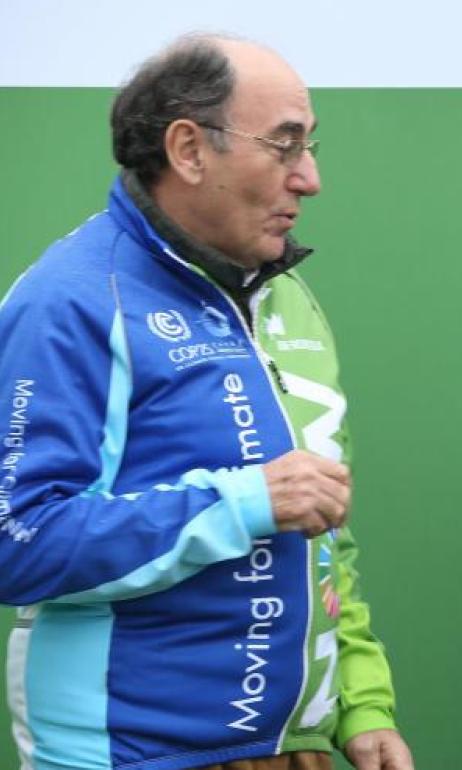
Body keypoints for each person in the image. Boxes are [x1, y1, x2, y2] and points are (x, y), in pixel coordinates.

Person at [0, 35, 414, 770]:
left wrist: (360, 700)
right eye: (285, 147)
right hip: (132, 755)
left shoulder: (286, 297)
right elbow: (18, 543)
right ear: (189, 151)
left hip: (297, 748)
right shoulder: (69, 301)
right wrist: (242, 502)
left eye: (310, 147)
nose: (310, 178)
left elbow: (322, 529)